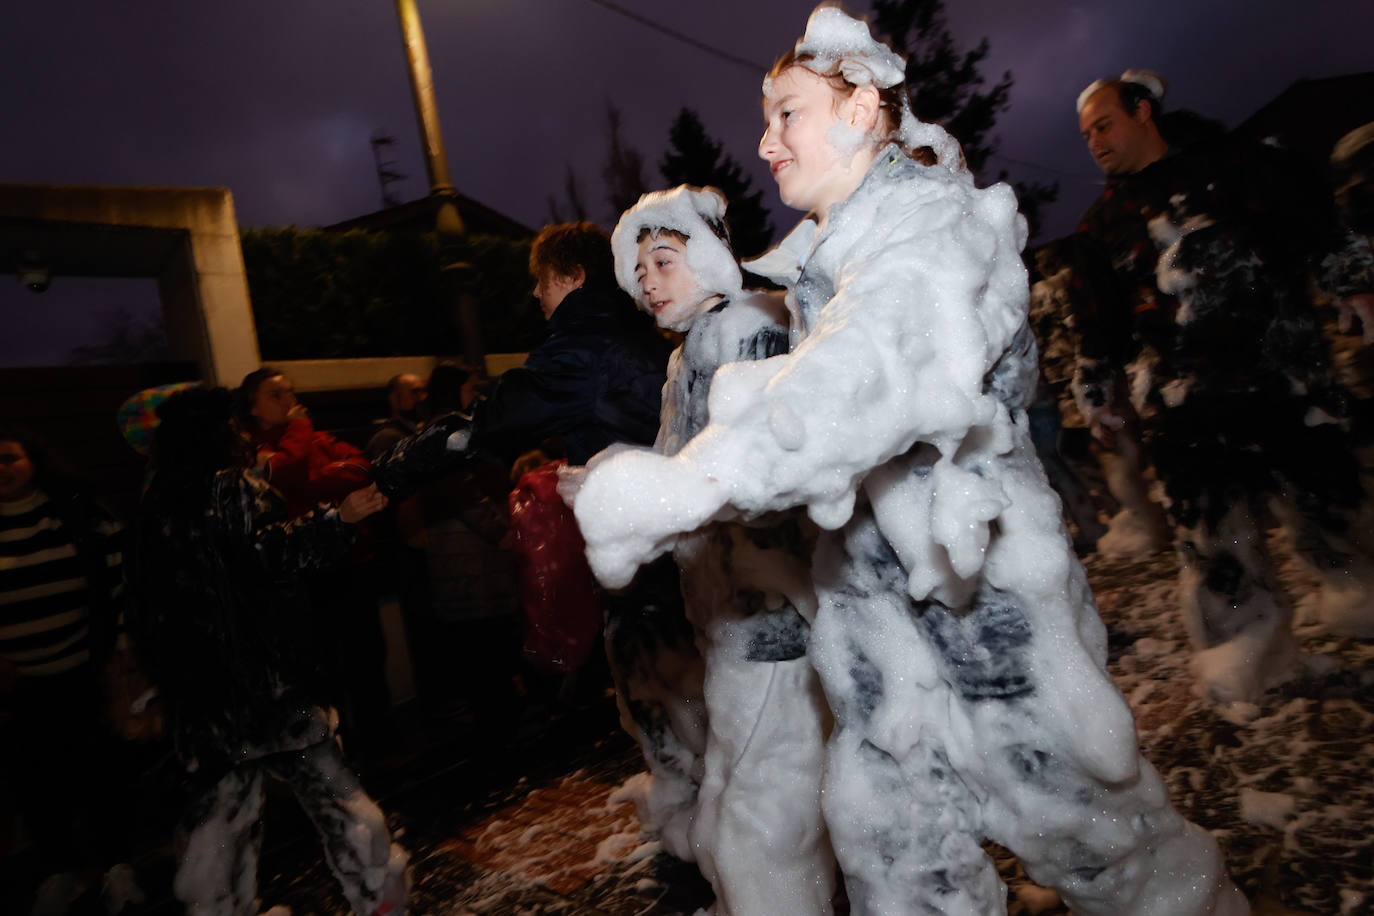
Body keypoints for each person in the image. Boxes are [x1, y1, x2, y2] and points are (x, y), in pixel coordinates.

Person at [565, 7, 1247, 915]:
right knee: (898, 862)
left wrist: (694, 480)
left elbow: (865, 377)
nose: (765, 144)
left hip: (986, 609)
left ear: (864, 109)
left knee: (1099, 847)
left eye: (788, 114)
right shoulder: (833, 265)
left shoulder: (927, 228)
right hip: (877, 635)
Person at [1072, 72, 1374, 699]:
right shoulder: (1102, 224)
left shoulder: (1238, 167)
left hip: (1281, 375)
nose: (1094, 142)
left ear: (1143, 111)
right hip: (1186, 407)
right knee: (1216, 540)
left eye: (1104, 124)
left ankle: (1360, 597)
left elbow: (1317, 223)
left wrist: (1352, 280)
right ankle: (1246, 655)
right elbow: (1096, 318)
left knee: (1329, 504)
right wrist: (1097, 385)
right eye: (1085, 134)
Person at [606, 185, 834, 914]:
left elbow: (753, 476)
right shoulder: (690, 353)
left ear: (708, 259)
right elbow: (685, 471)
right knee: (751, 770)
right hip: (729, 606)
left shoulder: (739, 330)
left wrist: (640, 500)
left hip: (768, 609)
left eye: (664, 260)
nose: (648, 280)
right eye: (640, 268)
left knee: (765, 786)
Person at [127, 386, 407, 916]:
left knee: (222, 817)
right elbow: (272, 554)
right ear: (217, 432)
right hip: (272, 685)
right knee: (336, 798)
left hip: (205, 693)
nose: (241, 434)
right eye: (233, 426)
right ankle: (379, 896)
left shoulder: (153, 504)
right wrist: (339, 519)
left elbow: (145, 604)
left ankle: (220, 908)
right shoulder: (232, 488)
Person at [0, 425, 141, 916]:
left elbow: (118, 572)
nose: (1, 470)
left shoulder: (76, 511)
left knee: (102, 775)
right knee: (37, 784)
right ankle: (61, 872)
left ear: (33, 460)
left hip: (87, 670)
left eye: (9, 458)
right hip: (19, 685)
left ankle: (117, 869)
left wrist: (122, 645)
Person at [237, 367, 394, 756]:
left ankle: (380, 746)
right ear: (253, 407)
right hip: (303, 578)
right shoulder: (249, 450)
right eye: (276, 395)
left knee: (367, 659)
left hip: (352, 566)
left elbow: (359, 469)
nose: (290, 400)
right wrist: (301, 440)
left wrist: (308, 483)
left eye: (291, 391)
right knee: (322, 669)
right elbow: (281, 472)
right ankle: (336, 759)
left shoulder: (312, 438)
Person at [472, 221, 670, 466]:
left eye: (542, 278)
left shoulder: (584, 348)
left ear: (574, 277)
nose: (536, 292)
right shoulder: (641, 334)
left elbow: (506, 417)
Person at [364, 373, 428, 461]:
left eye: (424, 391)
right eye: (415, 392)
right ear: (395, 398)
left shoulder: (421, 430)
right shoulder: (387, 437)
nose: (423, 397)